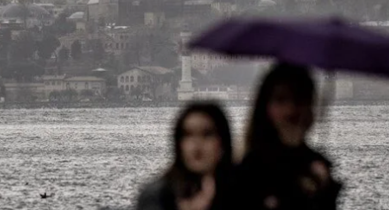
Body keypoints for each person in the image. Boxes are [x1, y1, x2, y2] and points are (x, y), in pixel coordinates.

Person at [235, 63, 342, 210]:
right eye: (281, 100)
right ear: (266, 107)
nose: (290, 110)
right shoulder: (250, 169)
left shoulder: (319, 168)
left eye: (299, 100)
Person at [137, 102, 234, 210]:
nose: (197, 145)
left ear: (223, 142)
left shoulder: (240, 191)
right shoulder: (156, 195)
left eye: (207, 134)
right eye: (188, 134)